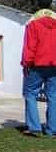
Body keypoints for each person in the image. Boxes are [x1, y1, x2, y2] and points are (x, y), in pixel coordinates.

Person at [21, 9, 56, 137]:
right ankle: (52, 128)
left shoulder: (33, 25)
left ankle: (34, 127)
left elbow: (30, 46)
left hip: (37, 64)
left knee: (30, 93)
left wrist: (26, 63)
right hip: (54, 65)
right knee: (53, 95)